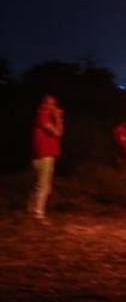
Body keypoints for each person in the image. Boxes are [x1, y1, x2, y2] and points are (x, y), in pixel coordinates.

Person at [28, 94, 63, 223]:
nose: (52, 107)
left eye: (54, 104)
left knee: (38, 185)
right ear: (43, 104)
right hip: (44, 155)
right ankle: (38, 214)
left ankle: (31, 210)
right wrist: (59, 118)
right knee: (43, 186)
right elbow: (58, 133)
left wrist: (57, 119)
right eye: (49, 104)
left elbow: (59, 132)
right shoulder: (43, 116)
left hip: (42, 155)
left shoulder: (44, 116)